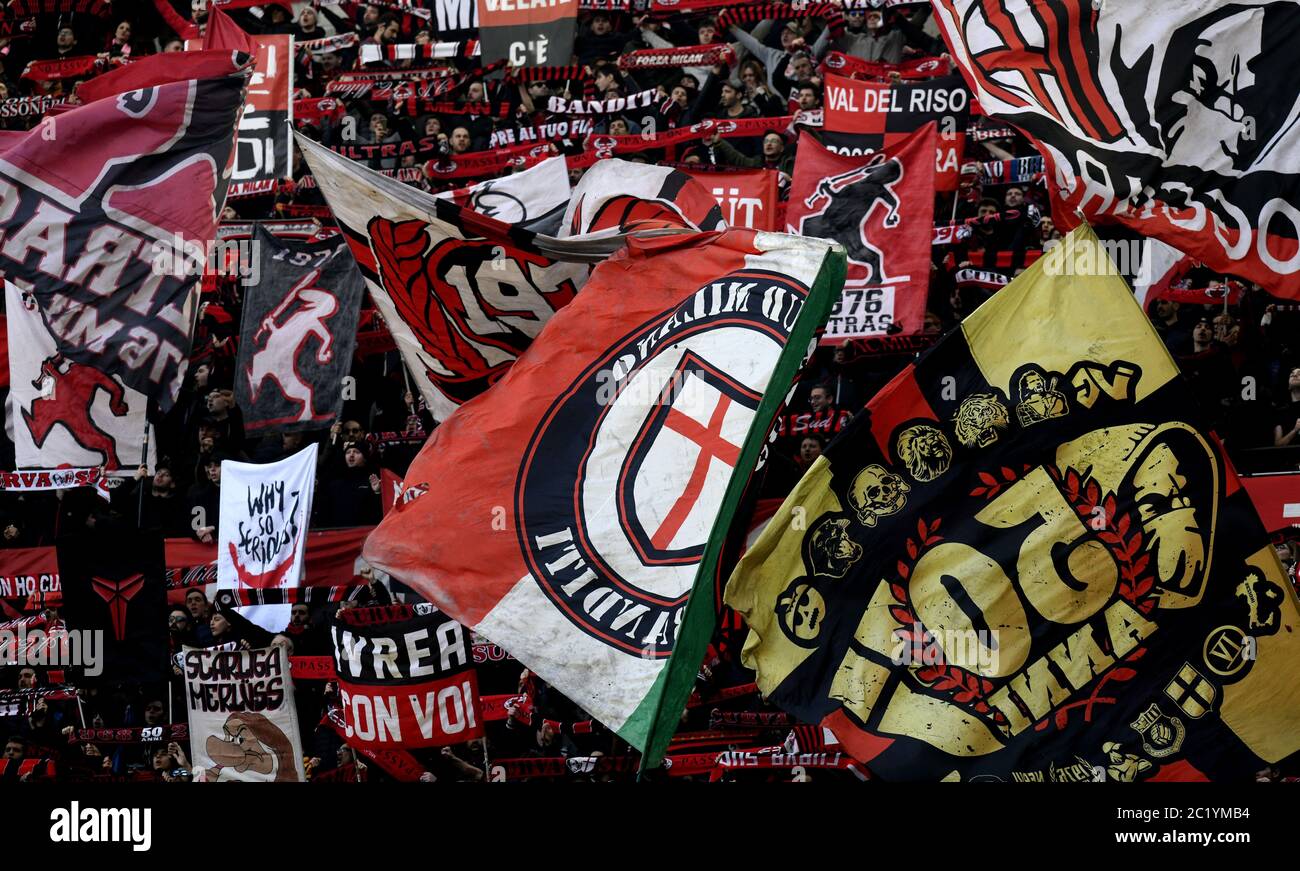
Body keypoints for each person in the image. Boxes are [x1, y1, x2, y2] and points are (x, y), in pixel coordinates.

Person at [1273, 367, 1300, 447]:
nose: (1295, 375)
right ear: (1288, 386)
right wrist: (1295, 430)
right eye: (1292, 375)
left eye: (1299, 374)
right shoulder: (1281, 412)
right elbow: (1277, 444)